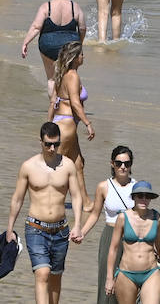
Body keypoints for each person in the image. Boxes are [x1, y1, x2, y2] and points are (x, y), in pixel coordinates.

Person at [6, 122, 86, 304]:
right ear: (40, 142)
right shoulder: (28, 166)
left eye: (56, 144)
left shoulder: (68, 166)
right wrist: (9, 229)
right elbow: (17, 199)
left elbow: (76, 197)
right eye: (48, 144)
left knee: (56, 279)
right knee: (43, 273)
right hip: (36, 228)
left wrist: (78, 225)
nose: (52, 148)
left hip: (61, 230)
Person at [48, 42, 96, 212]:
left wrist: (48, 124)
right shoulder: (73, 76)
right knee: (56, 166)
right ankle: (49, 201)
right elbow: (75, 103)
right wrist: (88, 123)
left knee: (78, 164)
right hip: (67, 124)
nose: (84, 57)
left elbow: (53, 101)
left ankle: (87, 202)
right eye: (81, 54)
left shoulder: (62, 73)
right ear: (75, 58)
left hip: (62, 122)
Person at [21, 0, 86, 97]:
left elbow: (36, 27)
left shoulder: (46, 6)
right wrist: (79, 45)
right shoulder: (74, 6)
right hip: (70, 47)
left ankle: (55, 108)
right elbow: (82, 28)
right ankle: (71, 105)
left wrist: (25, 43)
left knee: (51, 79)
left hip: (49, 46)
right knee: (71, 76)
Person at [106, 181, 160, 303]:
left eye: (147, 196)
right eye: (140, 196)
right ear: (134, 197)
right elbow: (113, 248)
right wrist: (109, 277)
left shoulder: (157, 217)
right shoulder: (123, 217)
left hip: (151, 272)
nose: (144, 199)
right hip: (126, 274)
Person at [89, 146, 136, 304]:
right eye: (119, 163)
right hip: (110, 236)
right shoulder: (103, 186)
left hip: (131, 238)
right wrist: (81, 232)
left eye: (127, 163)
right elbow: (95, 214)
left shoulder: (137, 187)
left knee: (130, 285)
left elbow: (143, 218)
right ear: (112, 164)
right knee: (107, 283)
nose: (123, 167)